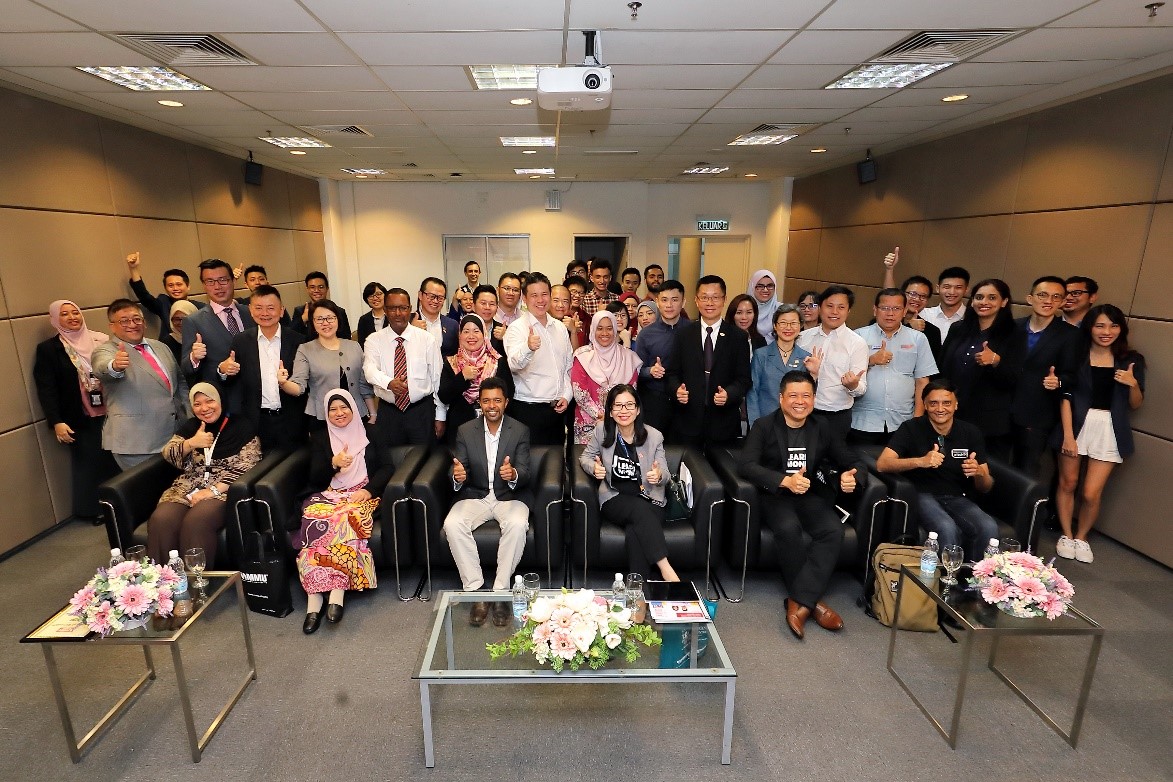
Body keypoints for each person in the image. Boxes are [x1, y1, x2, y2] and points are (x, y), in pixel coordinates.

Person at [739, 370, 865, 640]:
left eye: (806, 396)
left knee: (833, 530)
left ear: (814, 399)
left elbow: (852, 460)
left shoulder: (822, 426)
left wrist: (852, 476)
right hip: (775, 496)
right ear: (781, 398)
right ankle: (815, 604)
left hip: (809, 494)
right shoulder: (763, 425)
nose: (800, 402)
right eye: (793, 395)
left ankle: (800, 602)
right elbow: (746, 465)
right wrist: (784, 481)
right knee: (788, 528)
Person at [296, 389, 395, 634]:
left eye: (344, 407)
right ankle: (314, 601)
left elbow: (387, 467)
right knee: (314, 519)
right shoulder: (320, 437)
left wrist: (369, 490)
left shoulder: (371, 432)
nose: (339, 413)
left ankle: (336, 595)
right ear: (326, 413)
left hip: (362, 493)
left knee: (344, 519)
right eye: (333, 409)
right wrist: (333, 463)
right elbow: (315, 478)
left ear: (353, 408)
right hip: (331, 493)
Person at [1054, 305, 1145, 564]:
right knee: (1068, 483)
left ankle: (1082, 537)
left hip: (1109, 428)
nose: (1107, 332)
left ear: (1121, 329)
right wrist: (1068, 436)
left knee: (1091, 493)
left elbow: (1136, 404)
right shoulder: (1077, 356)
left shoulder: (1131, 360)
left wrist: (1133, 384)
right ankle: (1066, 535)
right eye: (1100, 325)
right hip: (1075, 424)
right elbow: (1066, 398)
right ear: (1090, 328)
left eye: (1113, 326)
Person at [877, 381, 999, 563]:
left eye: (947, 403)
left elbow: (986, 487)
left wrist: (980, 473)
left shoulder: (970, 432)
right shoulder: (911, 428)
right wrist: (921, 461)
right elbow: (882, 464)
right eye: (933, 403)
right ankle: (944, 580)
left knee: (988, 526)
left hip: (957, 497)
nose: (940, 409)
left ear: (956, 405)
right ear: (925, 405)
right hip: (921, 495)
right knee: (946, 527)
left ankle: (975, 579)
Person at [444, 377, 532, 627]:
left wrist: (513, 474)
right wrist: (457, 476)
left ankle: (500, 592)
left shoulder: (520, 430)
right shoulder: (465, 430)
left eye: (497, 400)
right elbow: (458, 467)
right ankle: (476, 591)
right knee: (452, 524)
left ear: (506, 402)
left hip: (509, 496)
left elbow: (526, 471)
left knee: (517, 524)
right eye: (486, 401)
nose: (491, 406)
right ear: (479, 403)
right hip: (477, 495)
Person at [145, 383, 261, 566]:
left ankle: (196, 580)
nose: (204, 408)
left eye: (209, 401)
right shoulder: (191, 427)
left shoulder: (241, 426)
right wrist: (191, 443)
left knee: (196, 521)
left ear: (220, 400)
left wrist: (212, 491)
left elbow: (249, 463)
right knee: (161, 520)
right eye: (197, 404)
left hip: (223, 490)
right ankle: (164, 579)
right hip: (188, 486)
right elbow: (168, 453)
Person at [580, 384, 681, 582]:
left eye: (629, 405)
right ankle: (667, 570)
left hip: (650, 498)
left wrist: (659, 475)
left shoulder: (654, 436)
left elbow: (665, 474)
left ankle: (639, 591)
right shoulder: (602, 431)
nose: (623, 411)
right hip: (615, 497)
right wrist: (594, 468)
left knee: (635, 531)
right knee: (639, 510)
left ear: (638, 409)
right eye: (618, 406)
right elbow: (585, 457)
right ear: (610, 411)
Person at [33, 300, 118, 522]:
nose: (72, 317)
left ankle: (119, 503)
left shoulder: (101, 340)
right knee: (89, 462)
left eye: (75, 312)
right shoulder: (49, 349)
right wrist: (56, 421)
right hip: (79, 414)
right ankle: (94, 509)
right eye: (65, 314)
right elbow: (46, 388)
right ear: (54, 319)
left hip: (111, 408)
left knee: (114, 458)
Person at [93, 300, 184, 469]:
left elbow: (180, 384)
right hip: (137, 444)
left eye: (136, 319)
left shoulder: (161, 346)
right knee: (147, 487)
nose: (132, 324)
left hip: (175, 437)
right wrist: (115, 366)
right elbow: (101, 367)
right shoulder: (106, 350)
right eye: (124, 321)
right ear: (112, 326)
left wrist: (190, 417)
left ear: (144, 322)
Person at [939, 279, 1021, 461]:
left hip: (989, 423)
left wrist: (996, 362)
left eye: (992, 298)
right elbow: (942, 367)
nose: (984, 302)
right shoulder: (958, 328)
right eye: (979, 297)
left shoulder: (1014, 334)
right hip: (953, 415)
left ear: (1004, 302)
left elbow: (1014, 379)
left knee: (984, 471)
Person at [218, 285, 308, 452]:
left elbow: (306, 383)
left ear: (281, 311)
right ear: (251, 311)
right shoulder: (241, 341)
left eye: (271, 308)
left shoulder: (299, 341)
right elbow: (230, 380)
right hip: (257, 422)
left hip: (292, 420)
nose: (265, 313)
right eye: (259, 308)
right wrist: (223, 370)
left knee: (296, 465)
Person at [666, 275, 752, 447]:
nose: (710, 303)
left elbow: (744, 380)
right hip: (687, 422)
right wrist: (676, 390)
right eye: (704, 297)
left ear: (724, 300)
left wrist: (729, 394)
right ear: (696, 300)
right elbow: (672, 374)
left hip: (724, 423)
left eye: (715, 297)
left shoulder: (738, 337)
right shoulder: (683, 334)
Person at [1010, 276, 1078, 479]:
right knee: (996, 465)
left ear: (1063, 302)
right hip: (1002, 409)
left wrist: (1059, 381)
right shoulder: (1013, 327)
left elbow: (1074, 376)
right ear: (1030, 298)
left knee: (1025, 472)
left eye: (1056, 297)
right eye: (1043, 295)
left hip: (1037, 415)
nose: (1048, 301)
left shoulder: (1070, 335)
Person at [850, 289, 938, 446]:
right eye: (884, 308)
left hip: (903, 422)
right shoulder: (858, 337)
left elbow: (922, 382)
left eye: (896, 308)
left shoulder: (918, 339)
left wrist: (917, 420)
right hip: (863, 421)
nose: (890, 313)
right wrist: (870, 360)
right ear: (875, 310)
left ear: (904, 311)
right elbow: (847, 375)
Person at [363, 288, 444, 446]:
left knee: (425, 458)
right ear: (385, 310)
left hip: (421, 411)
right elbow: (369, 370)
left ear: (410, 309)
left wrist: (440, 415)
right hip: (389, 412)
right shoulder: (373, 340)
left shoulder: (427, 339)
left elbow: (437, 379)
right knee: (390, 458)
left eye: (403, 308)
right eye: (392, 308)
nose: (398, 313)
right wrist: (388, 383)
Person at [281, 299, 376, 434]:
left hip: (357, 414)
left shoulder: (354, 346)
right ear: (313, 323)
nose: (325, 323)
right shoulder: (305, 349)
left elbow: (363, 385)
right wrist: (283, 383)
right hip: (322, 419)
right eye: (319, 319)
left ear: (338, 320)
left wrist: (373, 414)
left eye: (330, 318)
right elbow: (298, 387)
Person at [504, 272, 573, 447]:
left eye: (544, 294)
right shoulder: (516, 328)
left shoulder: (560, 327)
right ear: (524, 298)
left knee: (556, 460)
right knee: (529, 461)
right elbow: (513, 365)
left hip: (557, 410)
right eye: (534, 295)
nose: (540, 300)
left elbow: (568, 367)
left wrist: (567, 395)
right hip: (528, 411)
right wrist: (528, 347)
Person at [796, 285, 869, 442]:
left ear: (848, 311)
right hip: (802, 412)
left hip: (837, 417)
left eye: (841, 307)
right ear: (820, 307)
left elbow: (861, 388)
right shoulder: (802, 338)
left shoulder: (857, 343)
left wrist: (853, 385)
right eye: (829, 306)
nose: (834, 312)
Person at [181, 258, 256, 401]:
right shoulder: (193, 321)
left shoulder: (250, 313)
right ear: (204, 285)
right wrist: (194, 357)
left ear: (233, 281)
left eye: (223, 280)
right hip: (224, 400)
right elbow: (185, 369)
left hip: (258, 397)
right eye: (210, 281)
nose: (217, 286)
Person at [438, 314, 514, 441]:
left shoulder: (497, 361)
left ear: (484, 334)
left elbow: (509, 393)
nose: (471, 336)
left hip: (494, 427)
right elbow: (444, 396)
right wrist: (462, 377)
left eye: (476, 331)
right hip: (459, 429)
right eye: (466, 331)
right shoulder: (451, 362)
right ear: (459, 335)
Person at [571, 311, 642, 445]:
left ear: (615, 330)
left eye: (609, 328)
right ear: (593, 329)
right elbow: (580, 394)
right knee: (589, 458)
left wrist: (614, 415)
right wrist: (601, 415)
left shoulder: (628, 357)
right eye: (600, 328)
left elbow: (630, 392)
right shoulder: (582, 356)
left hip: (621, 423)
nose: (605, 333)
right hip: (588, 426)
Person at [633, 280, 686, 435]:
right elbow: (636, 370)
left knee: (683, 446)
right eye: (664, 300)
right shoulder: (646, 334)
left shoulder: (692, 330)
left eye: (674, 300)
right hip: (654, 401)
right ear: (657, 302)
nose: (669, 305)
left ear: (683, 302)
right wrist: (650, 371)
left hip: (684, 400)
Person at [749, 305, 812, 425]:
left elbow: (809, 395)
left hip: (796, 422)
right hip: (765, 421)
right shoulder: (761, 355)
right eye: (783, 323)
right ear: (775, 325)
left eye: (793, 323)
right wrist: (755, 425)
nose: (788, 327)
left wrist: (814, 374)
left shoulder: (806, 358)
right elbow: (753, 392)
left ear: (800, 326)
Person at [879, 249, 943, 364]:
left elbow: (930, 367)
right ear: (902, 294)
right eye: (913, 294)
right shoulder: (883, 322)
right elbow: (889, 298)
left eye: (923, 296)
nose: (917, 299)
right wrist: (889, 270)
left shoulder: (932, 332)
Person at [125, 251, 203, 340]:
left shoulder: (200, 307)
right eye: (170, 285)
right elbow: (144, 296)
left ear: (188, 286)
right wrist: (134, 269)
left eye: (179, 284)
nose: (175, 288)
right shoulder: (164, 303)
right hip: (169, 346)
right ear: (165, 288)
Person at [291, 272, 352, 339]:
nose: (316, 290)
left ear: (327, 288)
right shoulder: (300, 311)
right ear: (307, 289)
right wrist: (303, 319)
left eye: (321, 287)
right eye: (312, 287)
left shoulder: (339, 311)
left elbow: (346, 338)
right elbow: (291, 337)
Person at [412, 276, 458, 356]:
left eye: (440, 298)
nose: (435, 301)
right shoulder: (408, 322)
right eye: (431, 296)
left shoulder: (453, 325)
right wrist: (410, 331)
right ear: (420, 295)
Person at [921, 266, 970, 340]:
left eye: (958, 287)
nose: (952, 292)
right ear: (938, 288)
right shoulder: (924, 315)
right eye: (947, 287)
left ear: (966, 290)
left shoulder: (972, 317)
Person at [746, 270, 780, 344]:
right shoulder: (743, 309)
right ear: (752, 287)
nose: (765, 290)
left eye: (770, 286)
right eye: (760, 286)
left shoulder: (781, 310)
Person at [472, 283, 507, 353]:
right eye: (483, 303)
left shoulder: (505, 331)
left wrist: (506, 339)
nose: (487, 307)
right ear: (473, 306)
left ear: (497, 308)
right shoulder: (463, 330)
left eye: (491, 304)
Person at [356, 281, 389, 348]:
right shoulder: (363, 320)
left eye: (378, 294)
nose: (375, 298)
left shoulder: (393, 316)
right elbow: (362, 344)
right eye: (371, 296)